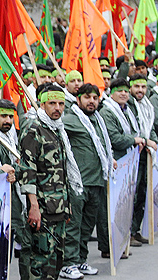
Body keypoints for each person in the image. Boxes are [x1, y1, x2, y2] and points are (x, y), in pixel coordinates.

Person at [18, 85, 77, 280]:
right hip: (42, 209)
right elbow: (28, 172)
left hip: (59, 208)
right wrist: (33, 206)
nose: (57, 108)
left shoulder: (58, 130)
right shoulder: (33, 130)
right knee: (40, 262)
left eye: (61, 103)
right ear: (42, 104)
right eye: (52, 103)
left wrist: (66, 207)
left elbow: (62, 173)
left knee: (57, 261)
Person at [63, 84, 114, 277]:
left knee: (87, 225)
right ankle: (68, 262)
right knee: (74, 225)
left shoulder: (98, 121)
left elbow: (102, 147)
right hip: (78, 183)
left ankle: (80, 260)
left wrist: (111, 160)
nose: (91, 101)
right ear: (78, 100)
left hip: (97, 181)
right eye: (87, 97)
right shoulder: (70, 119)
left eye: (95, 97)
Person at [100, 77, 148, 253]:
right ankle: (109, 246)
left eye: (125, 91)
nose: (123, 94)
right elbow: (115, 139)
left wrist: (140, 139)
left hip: (128, 162)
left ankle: (122, 241)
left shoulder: (126, 110)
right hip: (115, 163)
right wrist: (134, 140)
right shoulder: (108, 112)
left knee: (126, 203)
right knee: (112, 207)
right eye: (119, 90)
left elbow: (136, 131)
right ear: (112, 93)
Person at [0, 99, 28, 280]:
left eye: (10, 116)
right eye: (3, 116)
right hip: (0, 207)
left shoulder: (12, 136)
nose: (7, 120)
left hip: (13, 203)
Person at [125, 74, 158, 246]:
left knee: (142, 193)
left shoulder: (147, 106)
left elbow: (149, 128)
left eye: (143, 87)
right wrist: (145, 141)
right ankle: (128, 232)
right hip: (133, 155)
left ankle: (135, 230)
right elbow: (131, 130)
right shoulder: (128, 106)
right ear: (131, 88)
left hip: (146, 154)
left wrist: (154, 143)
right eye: (137, 87)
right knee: (133, 193)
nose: (140, 90)